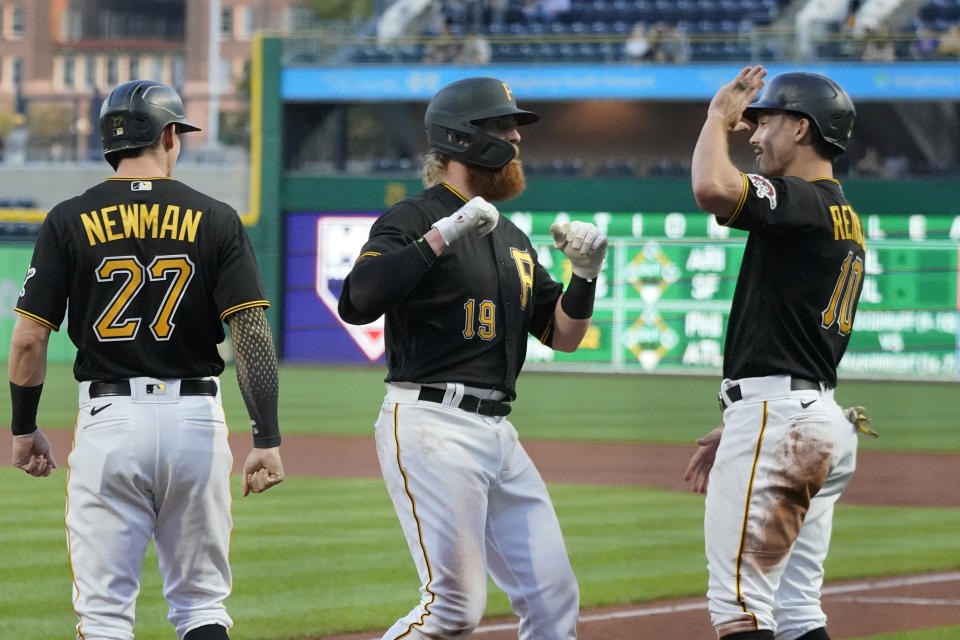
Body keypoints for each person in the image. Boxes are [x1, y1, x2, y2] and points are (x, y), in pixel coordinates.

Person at [8, 80, 284, 640]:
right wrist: (267, 439)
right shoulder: (216, 218)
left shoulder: (67, 219)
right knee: (202, 604)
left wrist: (22, 427)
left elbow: (27, 342)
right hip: (195, 423)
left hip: (110, 421)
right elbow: (251, 333)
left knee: (106, 614)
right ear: (166, 135)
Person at [338, 76, 607, 639]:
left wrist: (585, 277)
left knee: (554, 596)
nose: (515, 137)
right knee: (454, 608)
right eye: (504, 125)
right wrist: (441, 236)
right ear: (463, 138)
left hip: (497, 434)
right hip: (431, 421)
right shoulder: (413, 217)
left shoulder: (510, 235)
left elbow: (563, 336)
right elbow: (357, 300)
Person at [686, 66, 867, 640]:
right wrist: (746, 418)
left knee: (740, 608)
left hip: (781, 421)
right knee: (796, 612)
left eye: (766, 121)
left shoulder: (805, 201)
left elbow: (712, 188)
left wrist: (716, 116)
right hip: (810, 416)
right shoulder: (844, 215)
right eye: (749, 120)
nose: (753, 133)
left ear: (803, 128)